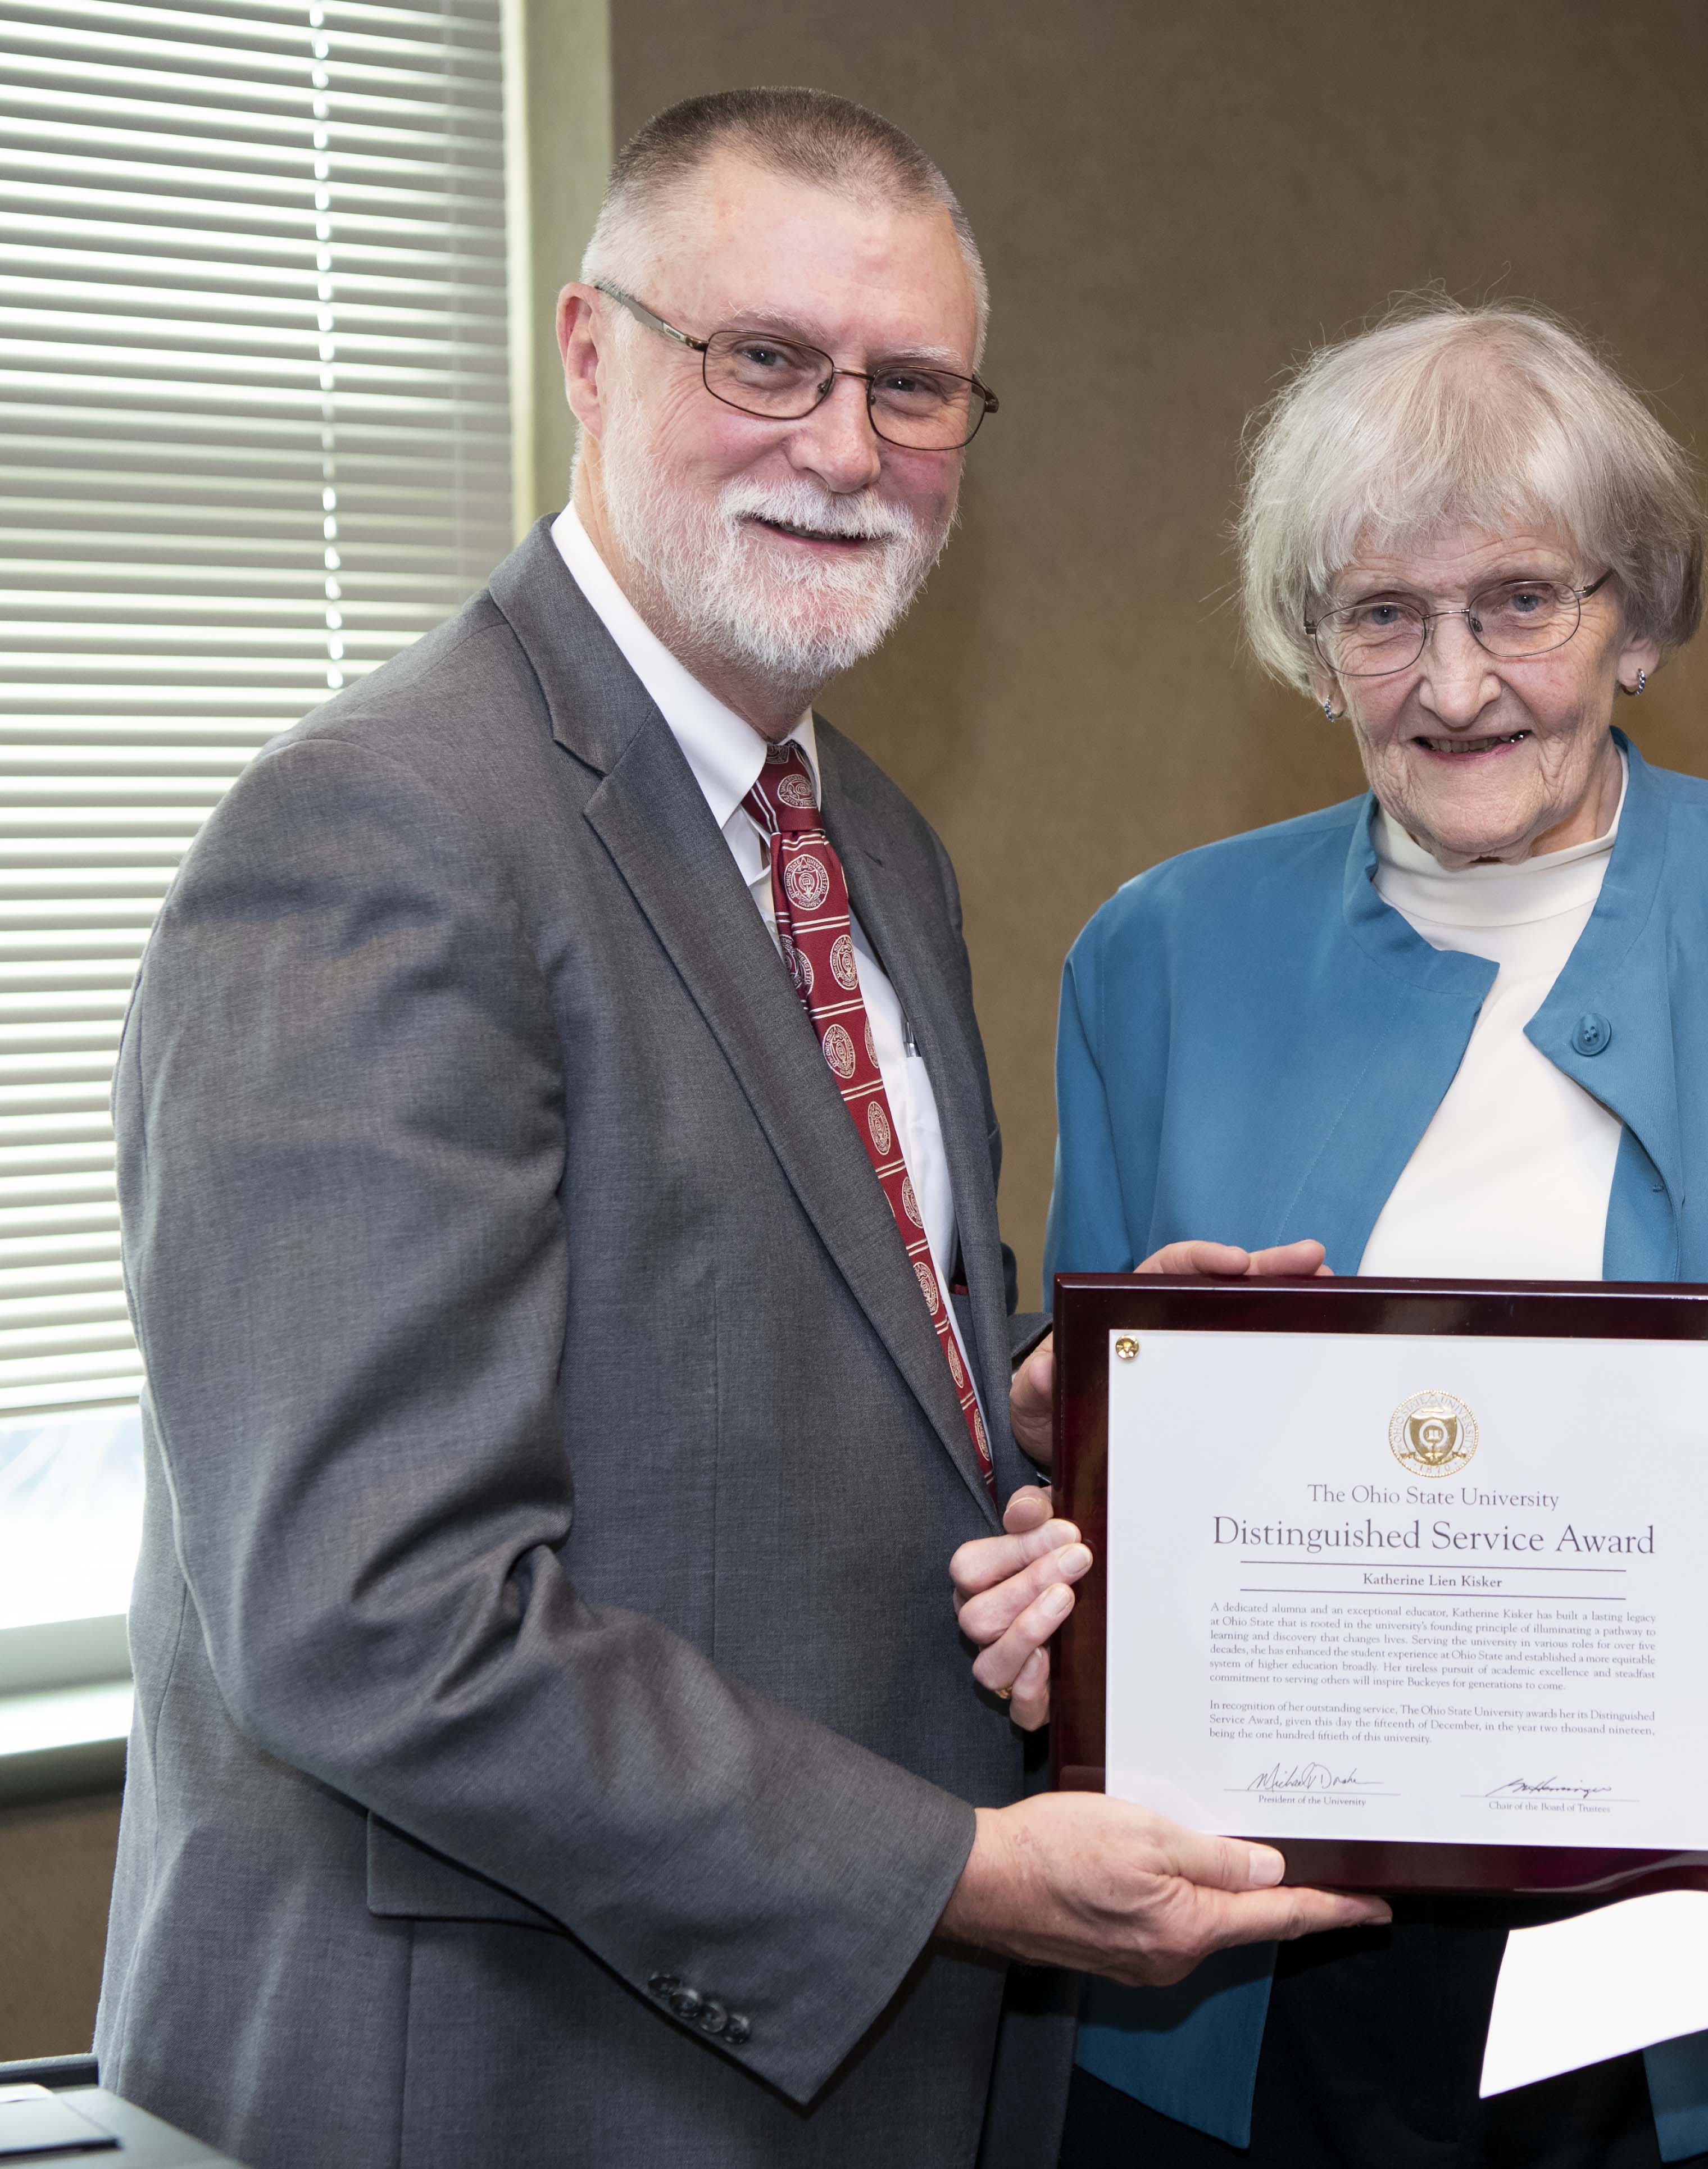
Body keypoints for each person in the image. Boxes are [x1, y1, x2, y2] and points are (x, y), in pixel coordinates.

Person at [96, 89, 1378, 2169]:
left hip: (831, 2072)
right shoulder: (383, 833)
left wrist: (1066, 1413)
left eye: (917, 386)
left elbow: (751, 1367)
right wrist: (953, 1875)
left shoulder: (868, 838)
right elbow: (373, 1615)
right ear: (593, 357)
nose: (846, 445)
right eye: (766, 359)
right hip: (510, 2071)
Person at [956, 299, 1708, 2163]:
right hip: (1287, 2001)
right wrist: (1058, 1492)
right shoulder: (1161, 958)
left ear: (1640, 617)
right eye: (1382, 615)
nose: (1452, 684)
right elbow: (1082, 1479)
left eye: (1522, 600)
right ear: (1310, 640)